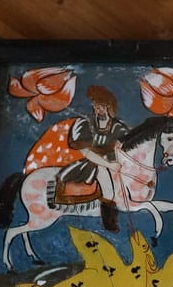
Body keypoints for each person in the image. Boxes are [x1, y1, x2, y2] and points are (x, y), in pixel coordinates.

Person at [54, 85, 129, 232]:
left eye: (102, 105)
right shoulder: (85, 124)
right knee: (106, 182)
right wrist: (108, 164)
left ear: (109, 107)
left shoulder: (118, 127)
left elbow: (125, 148)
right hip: (93, 164)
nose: (99, 109)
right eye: (96, 105)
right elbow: (85, 152)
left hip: (117, 164)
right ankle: (109, 223)